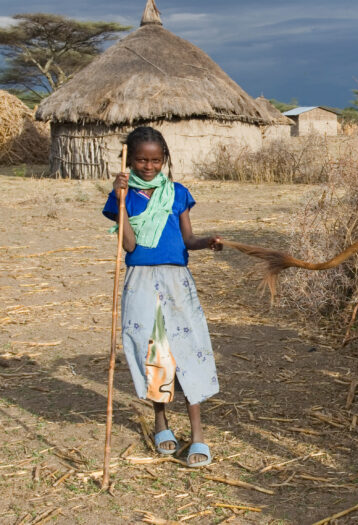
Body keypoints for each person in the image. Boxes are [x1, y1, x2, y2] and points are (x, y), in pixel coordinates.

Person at [102, 126, 222, 467]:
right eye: (141, 159)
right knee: (153, 349)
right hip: (140, 280)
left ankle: (198, 434)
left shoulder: (178, 193)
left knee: (188, 351)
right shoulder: (122, 196)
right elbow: (128, 244)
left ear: (164, 159)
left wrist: (208, 242)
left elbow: (188, 240)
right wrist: (121, 200)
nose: (148, 166)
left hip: (176, 281)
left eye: (155, 160)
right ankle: (161, 423)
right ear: (129, 159)